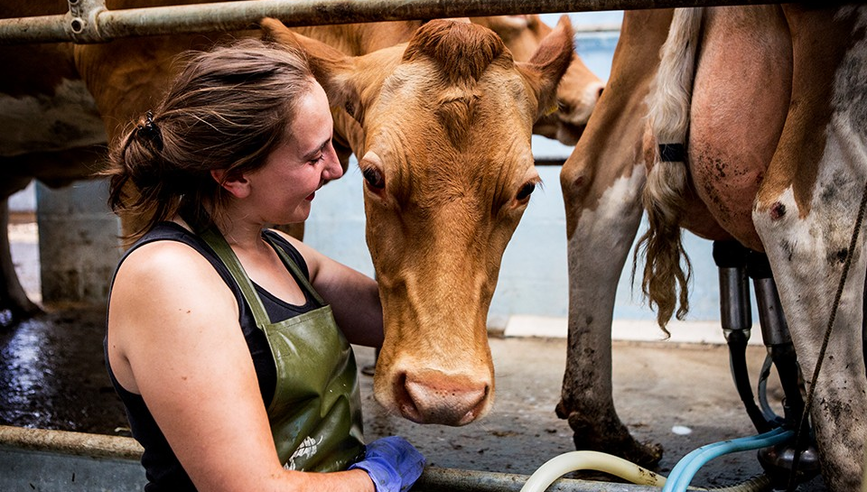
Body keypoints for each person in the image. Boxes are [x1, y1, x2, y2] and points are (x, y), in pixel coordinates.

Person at [103, 38, 425, 492]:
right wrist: (372, 482)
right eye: (314, 155)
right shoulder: (169, 279)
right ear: (234, 175)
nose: (335, 169)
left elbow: (403, 321)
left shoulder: (281, 252)